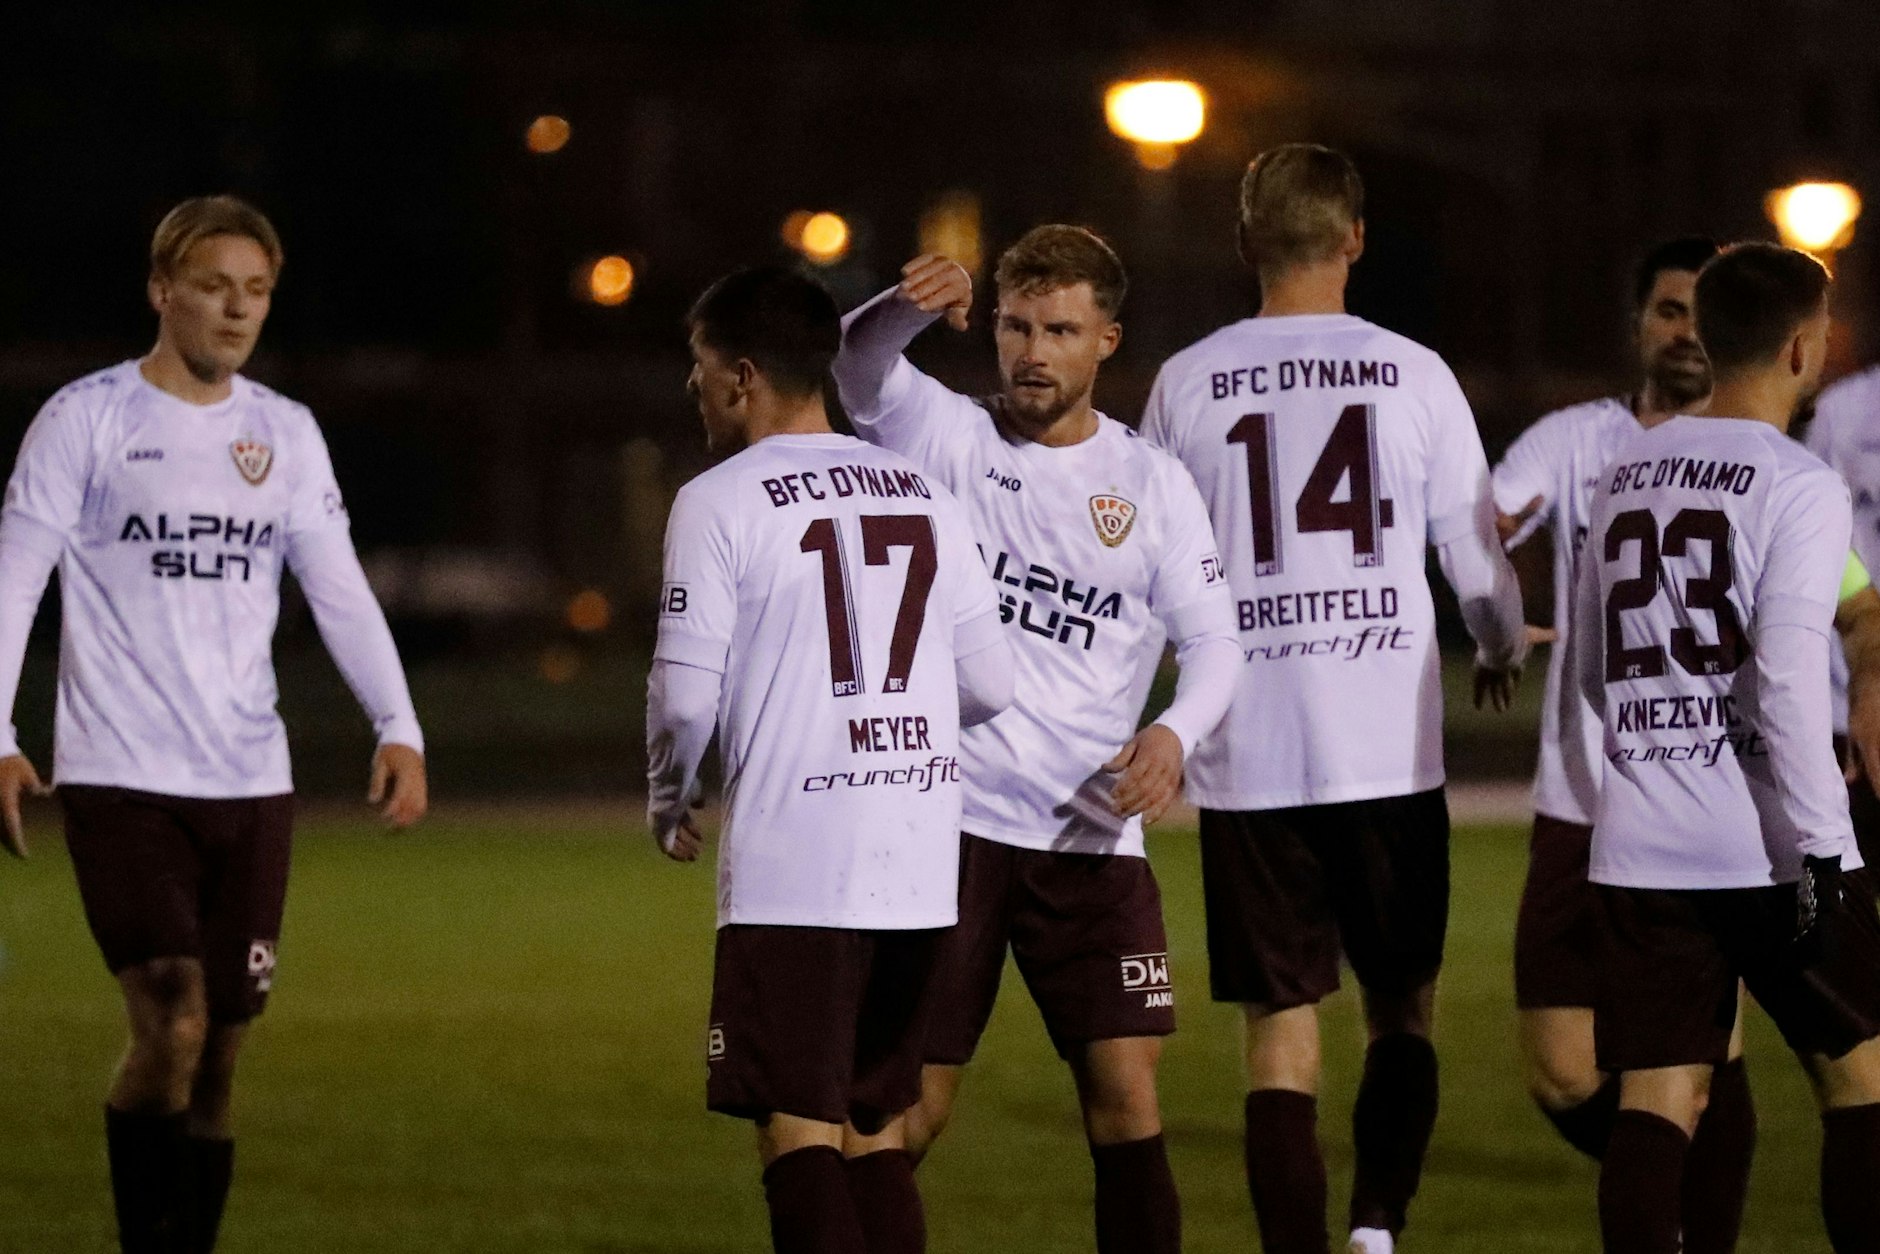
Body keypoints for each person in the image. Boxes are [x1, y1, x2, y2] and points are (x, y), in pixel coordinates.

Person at [0, 195, 427, 1253]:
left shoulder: (284, 432)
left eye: (257, 291)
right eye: (213, 286)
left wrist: (398, 723)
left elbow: (337, 587)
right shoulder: (87, 419)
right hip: (120, 775)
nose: (237, 310)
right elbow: (14, 582)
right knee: (174, 1015)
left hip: (250, 782)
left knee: (221, 1054)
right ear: (161, 290)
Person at [1138, 143, 1526, 1254]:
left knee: (1280, 1028)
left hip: (1247, 751)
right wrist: (1498, 642)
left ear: (1243, 241)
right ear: (1354, 238)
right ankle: (1375, 1228)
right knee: (1400, 1007)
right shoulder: (1413, 373)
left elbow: (1146, 574)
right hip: (1384, 749)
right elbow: (1475, 563)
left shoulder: (1186, 381)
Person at [834, 225, 1241, 1254]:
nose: (1031, 351)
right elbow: (856, 362)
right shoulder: (947, 435)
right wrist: (905, 304)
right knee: (907, 1108)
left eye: (1058, 330)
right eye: (1016, 326)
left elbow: (1214, 641)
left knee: (1126, 1097)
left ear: (1105, 340)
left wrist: (1172, 733)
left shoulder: (1151, 483)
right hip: (951, 829)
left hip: (1090, 839)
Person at [647, 265, 1013, 1254]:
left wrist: (669, 795)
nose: (692, 386)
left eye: (699, 365)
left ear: (741, 376)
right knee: (873, 1129)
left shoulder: (718, 499)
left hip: (796, 866)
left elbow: (683, 699)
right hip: (918, 864)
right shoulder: (922, 490)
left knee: (797, 1130)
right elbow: (991, 683)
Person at [1571, 241, 1880, 1254]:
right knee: (1862, 1080)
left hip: (1640, 843)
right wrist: (1827, 853)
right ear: (1801, 348)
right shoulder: (1798, 483)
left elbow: (1591, 670)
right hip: (1766, 849)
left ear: (1702, 336)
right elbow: (1786, 678)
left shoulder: (1625, 471)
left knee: (1657, 1101)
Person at [1492, 236, 1760, 1241]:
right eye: (1667, 311)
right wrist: (1491, 606)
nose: (1686, 332)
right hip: (1578, 797)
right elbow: (1485, 523)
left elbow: (1838, 601)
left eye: (1703, 314)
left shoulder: (1763, 459)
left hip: (1699, 799)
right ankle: (1668, 1202)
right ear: (1637, 324)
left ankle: (1689, 1230)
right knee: (1562, 1069)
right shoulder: (1576, 442)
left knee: (1699, 1056)